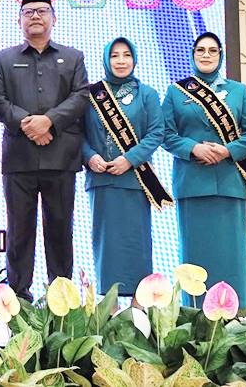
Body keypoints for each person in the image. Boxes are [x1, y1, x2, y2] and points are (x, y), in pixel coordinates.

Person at [0, 0, 89, 301]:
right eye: (28, 11)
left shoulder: (73, 57)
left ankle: (61, 301)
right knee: (19, 232)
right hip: (20, 159)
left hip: (61, 158)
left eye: (42, 11)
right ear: (19, 20)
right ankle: (19, 301)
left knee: (60, 230)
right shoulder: (4, 59)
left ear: (53, 18)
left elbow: (81, 96)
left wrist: (50, 122)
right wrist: (28, 124)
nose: (35, 16)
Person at [162, 32, 246, 307]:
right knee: (196, 257)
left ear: (220, 55)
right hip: (192, 184)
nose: (206, 55)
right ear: (192, 55)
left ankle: (234, 316)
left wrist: (227, 150)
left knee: (230, 256)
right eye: (201, 50)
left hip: (229, 184)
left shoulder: (238, 91)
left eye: (212, 50)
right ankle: (195, 315)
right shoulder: (176, 92)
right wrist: (193, 148)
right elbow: (165, 134)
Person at [82, 37, 170, 297]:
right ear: (106, 60)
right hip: (101, 181)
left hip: (135, 182)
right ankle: (108, 309)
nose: (121, 61)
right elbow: (76, 134)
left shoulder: (147, 94)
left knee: (136, 245)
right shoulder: (91, 95)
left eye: (126, 55)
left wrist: (129, 159)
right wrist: (90, 157)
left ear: (134, 59)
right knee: (106, 246)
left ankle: (139, 308)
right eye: (115, 56)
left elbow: (156, 133)